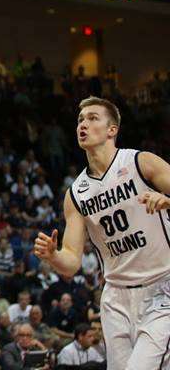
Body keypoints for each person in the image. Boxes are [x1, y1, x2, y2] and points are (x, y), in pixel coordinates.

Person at [34, 97, 170, 369]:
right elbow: (71, 262)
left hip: (161, 287)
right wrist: (53, 256)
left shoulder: (141, 163)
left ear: (112, 130)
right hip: (115, 298)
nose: (83, 124)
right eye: (80, 119)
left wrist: (168, 200)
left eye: (93, 118)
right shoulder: (75, 194)